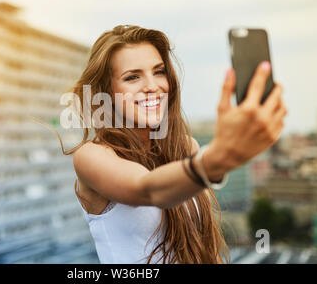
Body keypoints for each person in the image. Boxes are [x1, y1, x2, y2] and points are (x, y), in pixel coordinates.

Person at [51, 25, 287, 264]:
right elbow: (147, 189)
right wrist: (217, 160)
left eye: (159, 71)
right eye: (132, 77)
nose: (152, 86)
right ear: (107, 92)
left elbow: (207, 249)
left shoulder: (186, 148)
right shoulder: (91, 156)